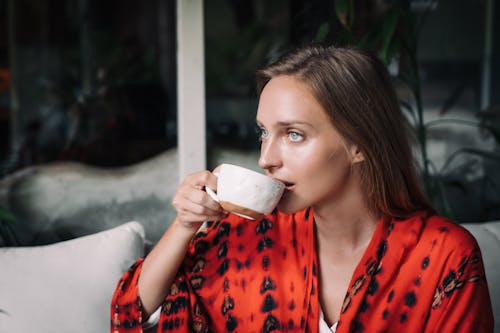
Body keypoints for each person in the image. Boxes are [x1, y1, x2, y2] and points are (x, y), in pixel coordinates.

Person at [111, 45, 494, 333]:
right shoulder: (248, 235)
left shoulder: (445, 257)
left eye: (294, 134)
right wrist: (183, 225)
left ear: (360, 144)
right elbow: (130, 315)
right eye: (264, 133)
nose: (267, 158)